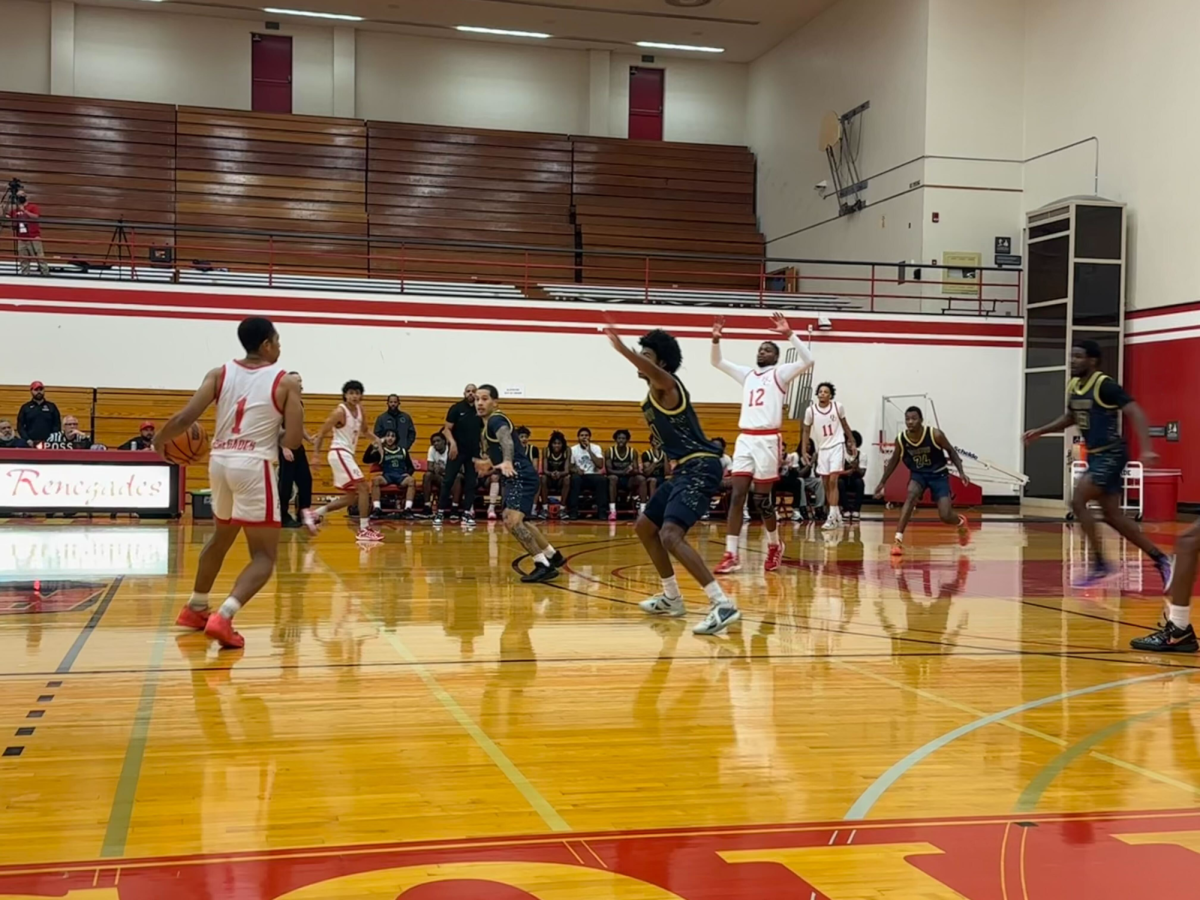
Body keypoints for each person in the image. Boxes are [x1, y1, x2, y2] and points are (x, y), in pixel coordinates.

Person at [154, 316, 303, 650]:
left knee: (222, 537)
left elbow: (184, 419)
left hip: (219, 463)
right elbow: (292, 441)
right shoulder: (286, 382)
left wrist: (160, 441)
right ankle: (224, 615)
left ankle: (195, 607)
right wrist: (276, 430)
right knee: (264, 556)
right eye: (277, 340)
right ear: (266, 344)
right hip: (253, 467)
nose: (280, 346)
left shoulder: (219, 373)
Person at [603, 325, 740, 636]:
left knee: (670, 535)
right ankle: (672, 598)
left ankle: (722, 603)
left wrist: (624, 350)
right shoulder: (651, 397)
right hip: (683, 470)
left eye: (647, 356)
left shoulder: (668, 386)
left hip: (701, 467)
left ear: (661, 364)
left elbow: (652, 371)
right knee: (645, 527)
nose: (640, 360)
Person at [1025, 339, 1171, 588]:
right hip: (1095, 455)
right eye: (1071, 356)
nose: (1073, 360)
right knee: (1113, 516)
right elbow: (1072, 416)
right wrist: (1042, 430)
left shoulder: (1105, 385)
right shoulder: (1074, 385)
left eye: (1078, 356)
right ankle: (1161, 558)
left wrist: (1147, 449)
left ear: (1092, 360)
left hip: (1111, 454)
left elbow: (1135, 411)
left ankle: (1101, 564)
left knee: (1077, 500)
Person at [711, 312, 814, 573]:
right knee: (737, 496)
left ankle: (774, 544)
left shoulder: (780, 374)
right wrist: (715, 338)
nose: (762, 352)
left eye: (767, 350)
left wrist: (789, 333)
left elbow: (809, 360)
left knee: (762, 501)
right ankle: (731, 554)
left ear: (776, 356)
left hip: (768, 440)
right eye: (760, 349)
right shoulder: (747, 374)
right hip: (745, 438)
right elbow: (718, 362)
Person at [474, 385, 565, 583]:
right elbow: (499, 451)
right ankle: (552, 556)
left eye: (484, 399)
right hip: (516, 476)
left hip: (519, 475)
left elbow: (507, 442)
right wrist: (488, 465)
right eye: (477, 399)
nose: (479, 403)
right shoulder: (486, 427)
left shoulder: (497, 419)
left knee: (512, 520)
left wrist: (507, 460)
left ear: (495, 402)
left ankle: (542, 565)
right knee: (522, 522)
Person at [874, 406, 971, 557]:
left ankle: (960, 522)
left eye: (914, 418)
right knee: (911, 495)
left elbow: (951, 451)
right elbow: (894, 461)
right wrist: (882, 482)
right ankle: (897, 541)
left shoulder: (935, 434)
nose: (910, 422)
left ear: (921, 420)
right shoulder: (901, 439)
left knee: (945, 515)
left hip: (939, 475)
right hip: (919, 475)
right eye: (907, 419)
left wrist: (961, 472)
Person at [309, 380, 385, 542]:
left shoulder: (360, 410)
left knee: (351, 497)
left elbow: (364, 431)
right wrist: (316, 455)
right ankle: (364, 529)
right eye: (351, 393)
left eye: (357, 393)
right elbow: (322, 433)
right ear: (345, 395)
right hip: (338, 452)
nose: (354, 396)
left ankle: (316, 513)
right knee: (364, 488)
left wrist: (376, 440)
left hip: (346, 454)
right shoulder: (339, 411)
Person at [801, 383, 856, 531]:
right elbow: (806, 431)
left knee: (833, 480)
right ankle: (836, 513)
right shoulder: (810, 411)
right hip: (822, 449)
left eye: (826, 392)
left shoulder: (838, 407)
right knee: (825, 483)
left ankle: (831, 516)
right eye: (820, 391)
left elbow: (845, 425)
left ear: (830, 395)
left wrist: (852, 441)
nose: (822, 394)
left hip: (837, 446)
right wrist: (803, 449)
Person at [435, 384, 483, 526]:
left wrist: (484, 451)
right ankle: (440, 511)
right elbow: (446, 429)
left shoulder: (480, 410)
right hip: (457, 451)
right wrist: (452, 444)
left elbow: (482, 433)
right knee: (448, 480)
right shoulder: (456, 408)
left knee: (470, 483)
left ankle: (467, 513)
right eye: (468, 391)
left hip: (473, 452)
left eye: (473, 391)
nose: (471, 393)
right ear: (464, 393)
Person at [277, 371, 313, 528]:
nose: (299, 383)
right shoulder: (282, 403)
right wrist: (284, 447)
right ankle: (282, 516)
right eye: (295, 381)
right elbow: (276, 426)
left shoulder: (299, 402)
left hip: (298, 448)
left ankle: (303, 514)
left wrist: (309, 438)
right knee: (285, 485)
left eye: (300, 380)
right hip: (286, 448)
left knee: (306, 481)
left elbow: (298, 425)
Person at [364, 429, 416, 517]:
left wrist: (408, 473)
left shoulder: (403, 451)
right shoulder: (382, 451)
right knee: (376, 480)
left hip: (400, 476)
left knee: (412, 481)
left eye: (393, 436)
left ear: (396, 438)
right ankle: (377, 509)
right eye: (388, 436)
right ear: (384, 438)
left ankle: (407, 509)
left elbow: (411, 467)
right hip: (387, 476)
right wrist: (373, 445)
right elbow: (366, 460)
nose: (390, 438)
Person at [569, 427, 612, 520]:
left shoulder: (596, 448)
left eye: (586, 435)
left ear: (590, 437)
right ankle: (573, 512)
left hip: (593, 475)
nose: (584, 437)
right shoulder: (573, 449)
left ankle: (602, 512)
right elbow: (570, 466)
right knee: (574, 479)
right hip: (580, 476)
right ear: (578, 437)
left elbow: (600, 465)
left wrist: (589, 450)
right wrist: (577, 470)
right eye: (582, 435)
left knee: (602, 480)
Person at [5, 187, 49, 276]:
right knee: (23, 258)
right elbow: (8, 217)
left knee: (39, 257)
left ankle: (45, 273)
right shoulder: (15, 210)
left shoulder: (33, 206)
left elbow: (36, 217)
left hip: (33, 236)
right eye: (18, 196)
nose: (20, 197)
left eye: (22, 195)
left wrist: (24, 211)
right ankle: (25, 274)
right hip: (21, 238)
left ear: (26, 196)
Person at [607, 429, 647, 515]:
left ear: (627, 440)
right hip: (616, 479)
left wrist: (632, 471)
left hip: (629, 479)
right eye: (619, 438)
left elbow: (636, 469)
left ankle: (643, 509)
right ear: (615, 439)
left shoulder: (633, 452)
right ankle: (612, 510)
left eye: (623, 438)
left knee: (642, 479)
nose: (621, 440)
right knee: (612, 478)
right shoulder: (610, 451)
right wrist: (623, 472)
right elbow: (609, 470)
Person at [17, 381, 60, 446]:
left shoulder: (52, 406)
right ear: (31, 391)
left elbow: (57, 425)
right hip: (30, 443)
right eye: (36, 390)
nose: (39, 392)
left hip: (49, 443)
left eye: (41, 389)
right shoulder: (25, 407)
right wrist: (27, 440)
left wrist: (52, 439)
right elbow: (20, 426)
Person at [515, 426, 545, 518]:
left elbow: (535, 467)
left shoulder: (533, 449)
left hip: (529, 474)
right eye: (521, 437)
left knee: (537, 480)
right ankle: (513, 507)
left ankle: (533, 508)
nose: (524, 439)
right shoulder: (514, 449)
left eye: (526, 437)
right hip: (517, 473)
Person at [423, 432, 454, 514]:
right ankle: (427, 505)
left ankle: (454, 507)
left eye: (438, 441)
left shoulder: (450, 450)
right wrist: (436, 470)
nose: (435, 443)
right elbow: (430, 467)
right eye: (434, 442)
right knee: (427, 475)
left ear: (444, 441)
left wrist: (442, 470)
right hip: (439, 478)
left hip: (451, 478)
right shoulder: (432, 449)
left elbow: (455, 469)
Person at [839, 430, 867, 522]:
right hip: (843, 479)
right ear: (846, 442)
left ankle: (856, 511)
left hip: (855, 480)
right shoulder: (841, 454)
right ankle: (846, 510)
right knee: (840, 482)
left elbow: (862, 473)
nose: (851, 444)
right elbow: (837, 471)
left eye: (853, 442)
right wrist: (847, 471)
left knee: (860, 482)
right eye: (849, 441)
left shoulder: (862, 455)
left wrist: (857, 468)